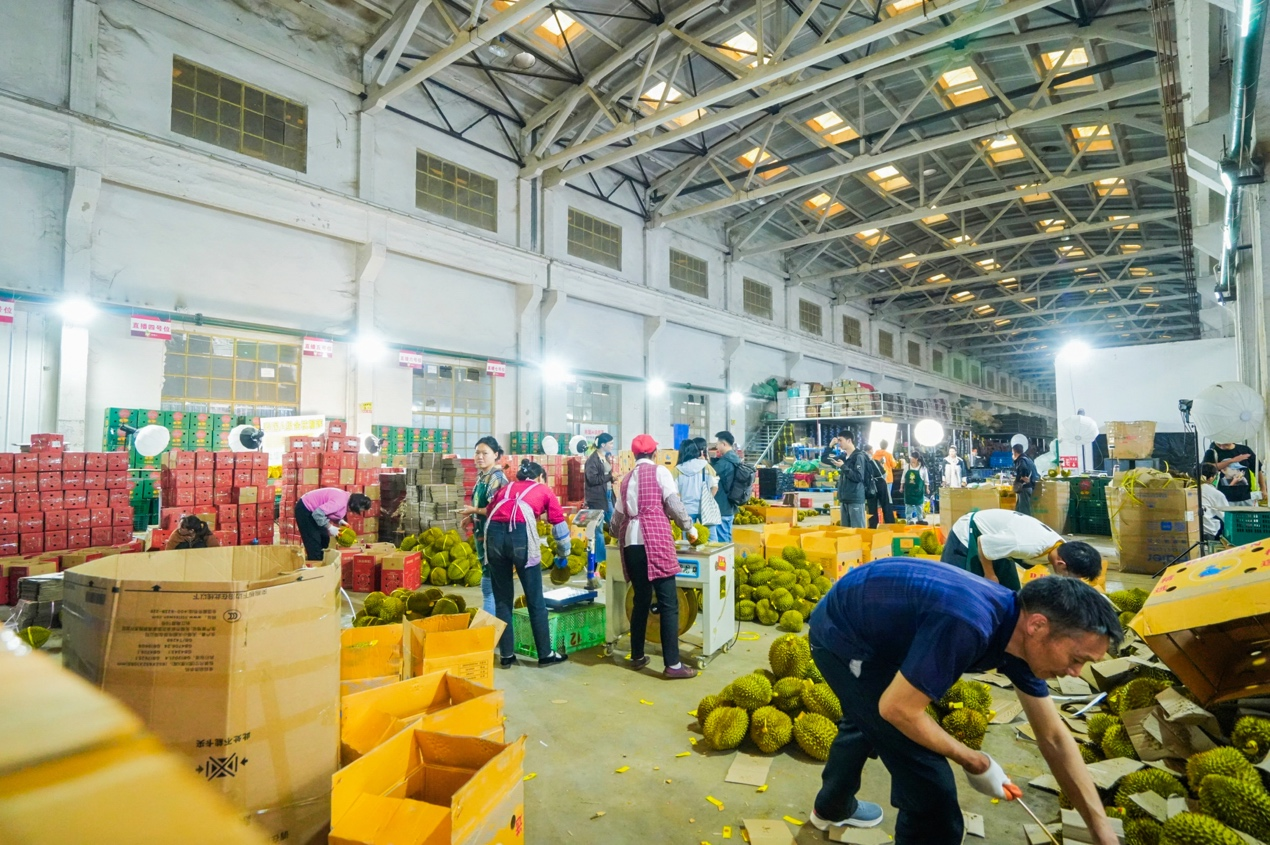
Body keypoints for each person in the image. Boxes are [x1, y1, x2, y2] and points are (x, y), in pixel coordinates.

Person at [808, 562, 1122, 843]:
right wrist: (974, 760)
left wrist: (1101, 830)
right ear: (1037, 625)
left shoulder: (1019, 633)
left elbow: (1053, 738)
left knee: (867, 719)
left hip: (882, 626)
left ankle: (831, 807)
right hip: (843, 634)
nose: (1075, 672)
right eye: (1076, 659)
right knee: (929, 783)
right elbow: (897, 709)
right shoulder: (969, 623)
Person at [610, 434, 699, 679]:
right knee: (669, 602)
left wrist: (614, 532)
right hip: (656, 540)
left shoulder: (626, 479)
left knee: (640, 599)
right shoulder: (661, 472)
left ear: (633, 455)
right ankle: (673, 665)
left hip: (631, 543)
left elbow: (616, 519)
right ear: (655, 454)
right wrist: (689, 528)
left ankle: (637, 656)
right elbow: (674, 504)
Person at [485, 459, 571, 668]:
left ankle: (506, 655)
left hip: (493, 536)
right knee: (535, 599)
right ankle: (545, 654)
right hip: (520, 537)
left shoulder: (505, 489)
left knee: (502, 600)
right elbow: (559, 524)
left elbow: (490, 512)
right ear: (539, 477)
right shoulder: (543, 490)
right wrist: (563, 554)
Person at [941, 509, 1103, 591]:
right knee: (963, 589)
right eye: (1071, 576)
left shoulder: (1061, 547)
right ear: (1061, 564)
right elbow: (983, 542)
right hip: (971, 532)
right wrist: (990, 574)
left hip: (1000, 542)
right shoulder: (1028, 546)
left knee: (1011, 592)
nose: (1069, 579)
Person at [460, 436, 508, 616]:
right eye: (477, 453)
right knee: (489, 584)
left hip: (494, 537)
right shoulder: (482, 477)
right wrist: (472, 517)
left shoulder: (496, 478)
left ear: (495, 454)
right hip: (483, 535)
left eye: (485, 453)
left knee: (489, 588)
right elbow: (484, 506)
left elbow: (497, 510)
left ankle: (489, 628)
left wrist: (474, 510)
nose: (480, 457)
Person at [295, 487, 372, 562]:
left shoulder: (346, 499)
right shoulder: (340, 502)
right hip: (305, 509)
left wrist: (339, 521)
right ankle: (315, 566)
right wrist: (330, 527)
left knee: (324, 539)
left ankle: (320, 562)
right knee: (314, 544)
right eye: (360, 510)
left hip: (315, 511)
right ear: (355, 505)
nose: (357, 512)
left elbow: (329, 511)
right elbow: (318, 514)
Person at [822, 432, 867, 528]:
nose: (839, 443)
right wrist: (830, 446)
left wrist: (843, 466)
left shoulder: (858, 457)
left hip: (855, 499)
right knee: (845, 530)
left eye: (840, 440)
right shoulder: (843, 457)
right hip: (844, 499)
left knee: (857, 530)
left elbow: (859, 477)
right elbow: (824, 459)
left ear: (849, 440)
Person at [673, 440, 718, 523]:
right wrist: (708, 500)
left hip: (686, 509)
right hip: (705, 509)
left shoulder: (677, 470)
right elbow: (715, 486)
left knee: (689, 531)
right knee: (709, 531)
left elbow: (674, 493)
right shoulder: (706, 466)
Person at [710, 431, 742, 542]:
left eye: (718, 444)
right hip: (731, 504)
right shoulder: (736, 459)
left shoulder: (724, 462)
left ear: (724, 444)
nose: (717, 447)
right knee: (727, 536)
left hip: (722, 506)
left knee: (722, 541)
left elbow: (712, 474)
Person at [1199, 462, 1229, 542]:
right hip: (1207, 533)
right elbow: (1226, 516)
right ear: (1211, 478)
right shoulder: (1215, 493)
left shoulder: (1188, 489)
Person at [866, 446, 894, 528]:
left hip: (870, 486)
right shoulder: (875, 461)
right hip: (881, 483)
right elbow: (884, 473)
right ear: (870, 451)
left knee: (872, 508)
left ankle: (873, 527)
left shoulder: (864, 464)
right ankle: (890, 525)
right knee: (886, 505)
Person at [1012, 444, 1039, 516]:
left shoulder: (1021, 460)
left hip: (1024, 487)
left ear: (1014, 452)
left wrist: (1022, 477)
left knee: (1024, 510)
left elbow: (1024, 469)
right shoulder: (1028, 459)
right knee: (1019, 509)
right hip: (1029, 486)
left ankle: (1026, 522)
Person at [901, 454, 929, 523]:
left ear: (916, 459)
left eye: (912, 458)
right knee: (908, 505)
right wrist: (901, 487)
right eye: (910, 458)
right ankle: (909, 520)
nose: (911, 459)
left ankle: (920, 519)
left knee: (919, 505)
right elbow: (903, 478)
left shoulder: (923, 468)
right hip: (909, 490)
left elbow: (926, 480)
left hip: (918, 491)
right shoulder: (907, 467)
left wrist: (927, 489)